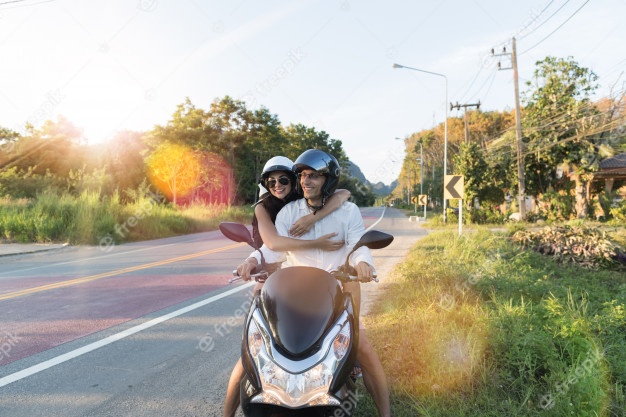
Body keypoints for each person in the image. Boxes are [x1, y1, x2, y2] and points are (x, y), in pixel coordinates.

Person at [236, 149, 391, 417]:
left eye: (314, 176)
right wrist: (251, 259)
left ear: (328, 180)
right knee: (260, 350)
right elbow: (272, 250)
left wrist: (363, 263)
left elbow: (357, 245)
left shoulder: (348, 211)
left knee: (363, 347)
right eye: (303, 176)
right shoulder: (287, 213)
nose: (306, 181)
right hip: (293, 299)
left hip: (333, 298)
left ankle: (386, 413)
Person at [222, 155, 351, 417]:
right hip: (269, 283)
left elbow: (344, 193)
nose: (277, 185)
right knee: (250, 355)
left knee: (347, 344)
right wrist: (250, 260)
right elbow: (272, 245)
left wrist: (313, 220)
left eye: (283, 179)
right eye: (271, 181)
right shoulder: (263, 207)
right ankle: (226, 413)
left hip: (305, 283)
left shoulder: (303, 201)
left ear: (294, 180)